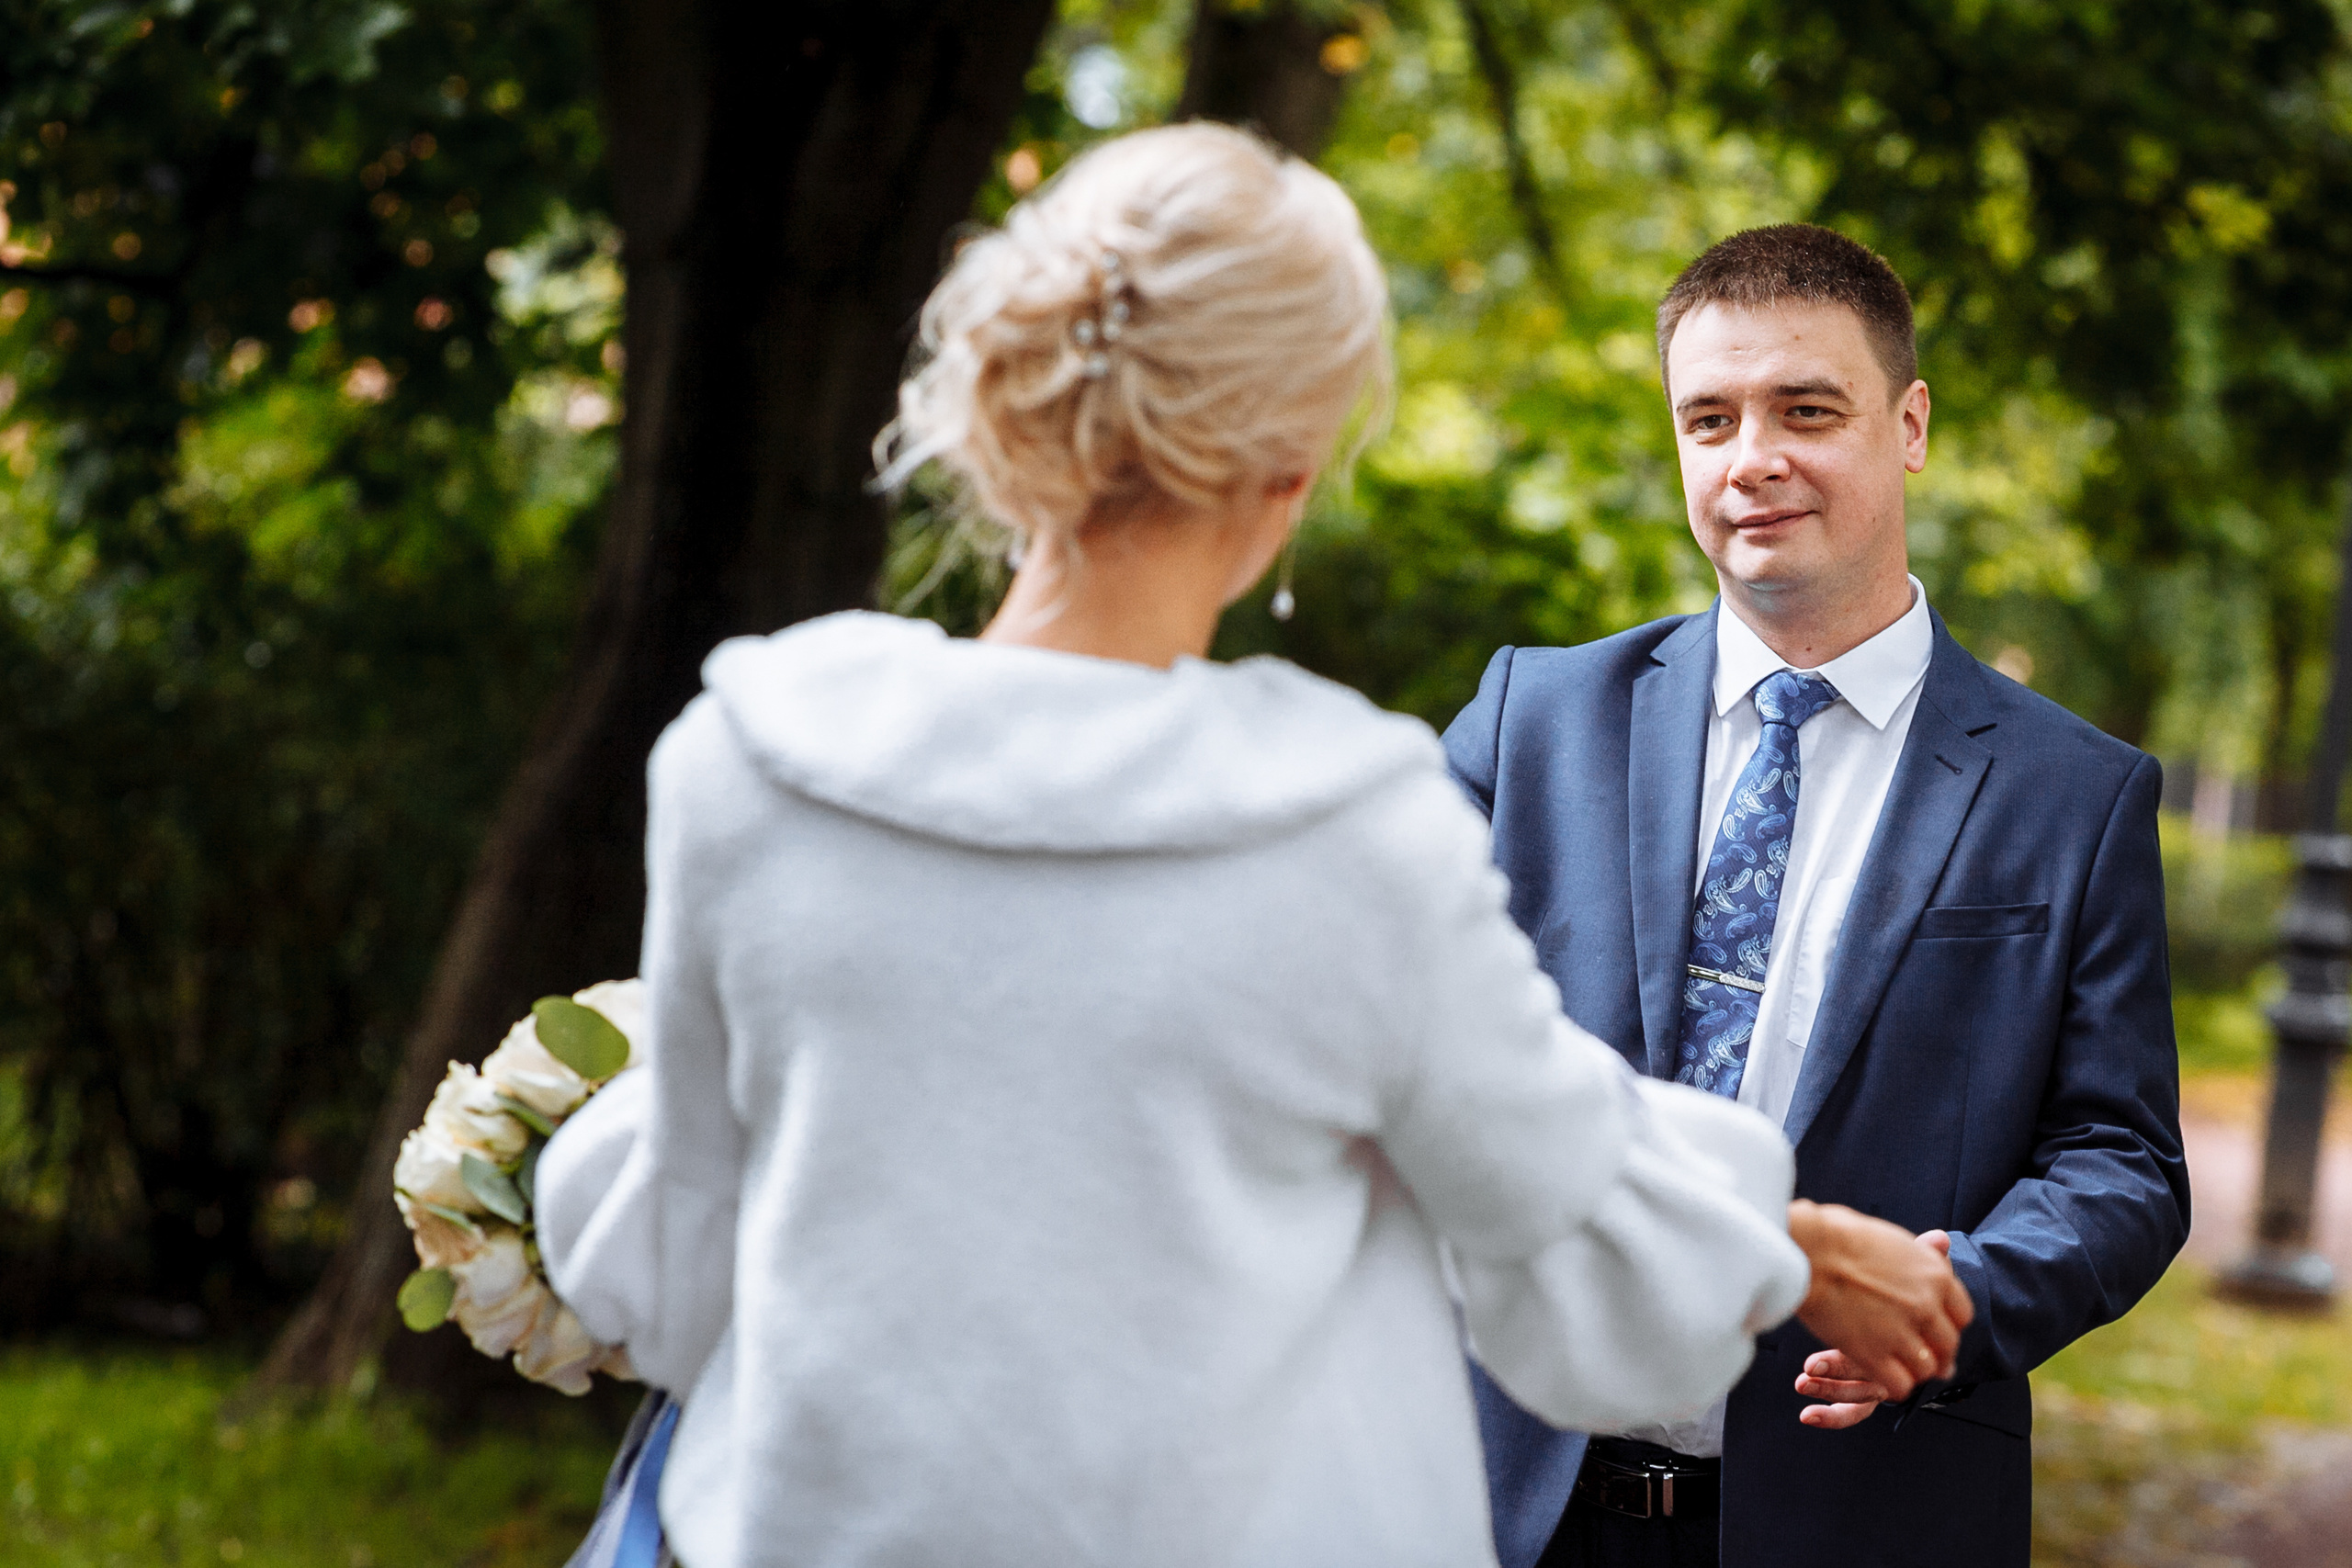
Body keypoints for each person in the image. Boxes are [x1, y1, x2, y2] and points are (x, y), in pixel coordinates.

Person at [529, 131, 1955, 1568]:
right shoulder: (1347, 830)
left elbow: (671, 1260)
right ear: (1292, 465)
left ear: (1012, 401)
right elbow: (1567, 1225)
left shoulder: (745, 765)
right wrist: (1797, 1243)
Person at [1450, 224, 2191, 1568]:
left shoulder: (2076, 794)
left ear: (1909, 426)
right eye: (1710, 419)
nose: (1752, 459)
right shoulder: (1531, 720)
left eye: (1806, 410)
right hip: (1505, 1498)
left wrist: (1957, 1297)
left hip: (1867, 1510)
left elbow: (2121, 1159)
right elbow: (1387, 1040)